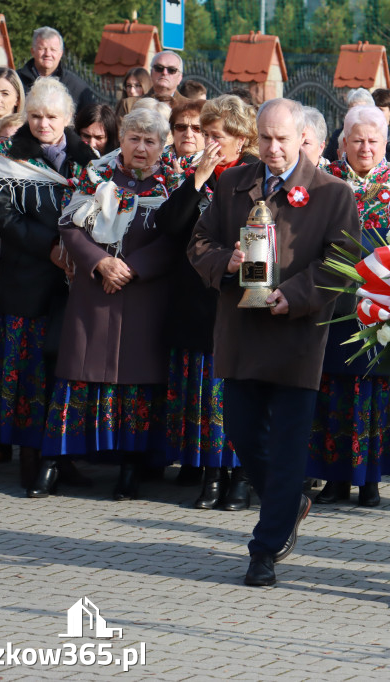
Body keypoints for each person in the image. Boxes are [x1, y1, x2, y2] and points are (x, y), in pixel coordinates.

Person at [187, 98, 360, 587]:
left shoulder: (331, 193)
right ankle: (291, 504)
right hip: (242, 333)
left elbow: (343, 262)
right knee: (242, 433)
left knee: (287, 448)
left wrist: (295, 295)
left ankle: (263, 550)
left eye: (282, 138)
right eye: (264, 138)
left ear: (302, 137)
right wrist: (227, 260)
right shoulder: (232, 183)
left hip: (297, 336)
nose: (273, 148)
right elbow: (198, 244)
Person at [37, 108, 177, 500]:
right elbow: (68, 223)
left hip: (144, 294)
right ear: (122, 140)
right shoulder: (95, 174)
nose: (141, 148)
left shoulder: (174, 182)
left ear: (161, 146)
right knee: (77, 377)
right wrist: (100, 261)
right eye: (134, 139)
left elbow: (179, 237)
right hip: (94, 292)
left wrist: (133, 268)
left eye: (151, 141)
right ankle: (51, 464)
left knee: (136, 385)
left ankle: (130, 471)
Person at [0, 77, 97, 489]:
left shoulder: (89, 159)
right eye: (35, 116)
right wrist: (51, 246)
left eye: (51, 116)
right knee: (28, 374)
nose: (43, 124)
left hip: (74, 285)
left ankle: (63, 456)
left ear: (67, 118)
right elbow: (2, 217)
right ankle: (30, 459)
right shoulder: (8, 156)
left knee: (66, 371)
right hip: (27, 281)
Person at [309, 106, 390, 507]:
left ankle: (370, 480)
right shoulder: (325, 179)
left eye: (374, 140)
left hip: (380, 298)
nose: (365, 147)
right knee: (333, 386)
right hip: (331, 297)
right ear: (344, 142)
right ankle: (335, 477)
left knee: (373, 387)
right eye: (357, 140)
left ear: (385, 142)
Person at [159, 94, 259, 510]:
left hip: (237, 297)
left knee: (233, 393)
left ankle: (239, 476)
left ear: (240, 138)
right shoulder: (192, 173)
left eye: (217, 135)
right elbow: (169, 227)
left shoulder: (255, 175)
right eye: (206, 134)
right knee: (204, 394)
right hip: (195, 299)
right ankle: (210, 474)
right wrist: (197, 180)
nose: (208, 142)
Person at [17, 27, 96, 109]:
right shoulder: (16, 81)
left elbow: (91, 119)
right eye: (42, 49)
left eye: (53, 50)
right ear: (33, 51)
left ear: (60, 54)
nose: (47, 54)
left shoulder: (77, 88)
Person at [323, 87, 374, 162]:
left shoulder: (377, 134)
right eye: (352, 109)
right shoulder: (338, 134)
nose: (356, 113)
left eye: (360, 109)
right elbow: (329, 161)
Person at [163, 99, 206, 172]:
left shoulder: (213, 167)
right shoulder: (154, 160)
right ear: (173, 132)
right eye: (181, 127)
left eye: (197, 128)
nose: (188, 134)